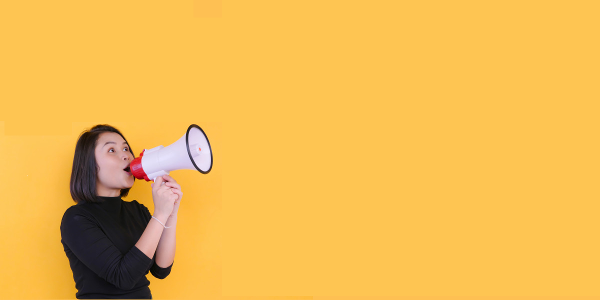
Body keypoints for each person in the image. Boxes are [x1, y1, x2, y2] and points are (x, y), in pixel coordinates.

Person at [60, 124, 183, 299]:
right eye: (111, 150)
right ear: (90, 165)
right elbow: (123, 277)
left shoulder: (138, 210)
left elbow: (161, 269)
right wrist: (160, 215)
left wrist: (171, 214)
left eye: (126, 148)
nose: (126, 154)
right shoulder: (76, 219)